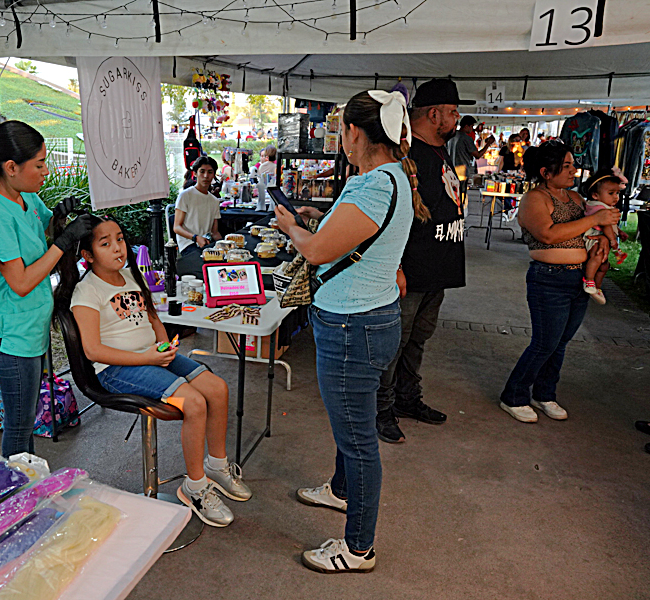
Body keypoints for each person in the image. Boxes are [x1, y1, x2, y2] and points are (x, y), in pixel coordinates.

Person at [275, 90, 424, 573]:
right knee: (354, 425)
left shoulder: (371, 187)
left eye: (342, 129)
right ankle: (341, 492)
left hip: (350, 327)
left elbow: (317, 253)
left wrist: (291, 228)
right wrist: (319, 223)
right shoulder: (394, 177)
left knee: (358, 438)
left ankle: (358, 548)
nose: (341, 138)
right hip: (371, 319)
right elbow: (353, 238)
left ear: (355, 133)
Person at [56, 215, 251, 527]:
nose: (118, 248)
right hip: (116, 369)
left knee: (217, 388)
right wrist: (147, 357)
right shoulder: (87, 292)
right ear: (87, 256)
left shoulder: (130, 276)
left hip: (153, 356)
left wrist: (163, 347)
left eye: (120, 239)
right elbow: (92, 350)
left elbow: (154, 319)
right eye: (105, 244)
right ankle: (195, 487)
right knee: (194, 403)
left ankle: (216, 465)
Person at [0, 120, 91, 457]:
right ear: (11, 167)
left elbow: (43, 225)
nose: (46, 171)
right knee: (19, 424)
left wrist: (58, 219)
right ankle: (15, 495)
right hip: (12, 330)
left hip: (29, 324)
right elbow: (20, 282)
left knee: (27, 418)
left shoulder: (24, 197)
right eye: (40, 164)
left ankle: (25, 480)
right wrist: (63, 243)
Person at [375, 79, 469, 444]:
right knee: (394, 342)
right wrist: (396, 267)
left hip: (438, 267)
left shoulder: (439, 149)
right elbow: (391, 214)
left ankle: (407, 399)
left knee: (418, 339)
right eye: (453, 112)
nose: (457, 119)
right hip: (411, 270)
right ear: (434, 114)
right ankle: (381, 409)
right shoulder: (405, 156)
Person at [499, 141, 618, 423]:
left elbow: (595, 226)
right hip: (549, 280)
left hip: (578, 278)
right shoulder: (535, 199)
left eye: (573, 164)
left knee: (561, 342)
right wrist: (594, 221)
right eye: (566, 166)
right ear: (546, 172)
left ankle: (544, 393)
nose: (574, 170)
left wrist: (604, 233)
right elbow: (548, 234)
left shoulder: (576, 199)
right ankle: (513, 394)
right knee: (545, 342)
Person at [580, 169, 629, 304]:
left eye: (617, 193)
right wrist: (613, 240)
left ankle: (597, 287)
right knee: (596, 257)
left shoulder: (605, 206)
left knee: (604, 266)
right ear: (595, 195)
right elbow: (606, 225)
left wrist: (619, 232)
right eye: (611, 193)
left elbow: (611, 225)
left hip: (601, 237)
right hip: (593, 237)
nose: (616, 197)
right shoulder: (597, 207)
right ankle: (589, 280)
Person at [174, 156, 222, 260]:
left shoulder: (214, 201)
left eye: (210, 172)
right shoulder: (185, 195)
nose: (206, 176)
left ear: (214, 175)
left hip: (206, 244)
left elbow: (214, 232)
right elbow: (177, 227)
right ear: (195, 173)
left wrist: (224, 244)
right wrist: (196, 238)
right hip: (188, 245)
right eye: (202, 171)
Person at [447, 115, 495, 182]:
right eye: (472, 126)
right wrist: (488, 144)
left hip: (450, 170)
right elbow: (477, 155)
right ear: (466, 126)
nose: (472, 129)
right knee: (461, 191)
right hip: (461, 171)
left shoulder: (451, 136)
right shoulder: (466, 138)